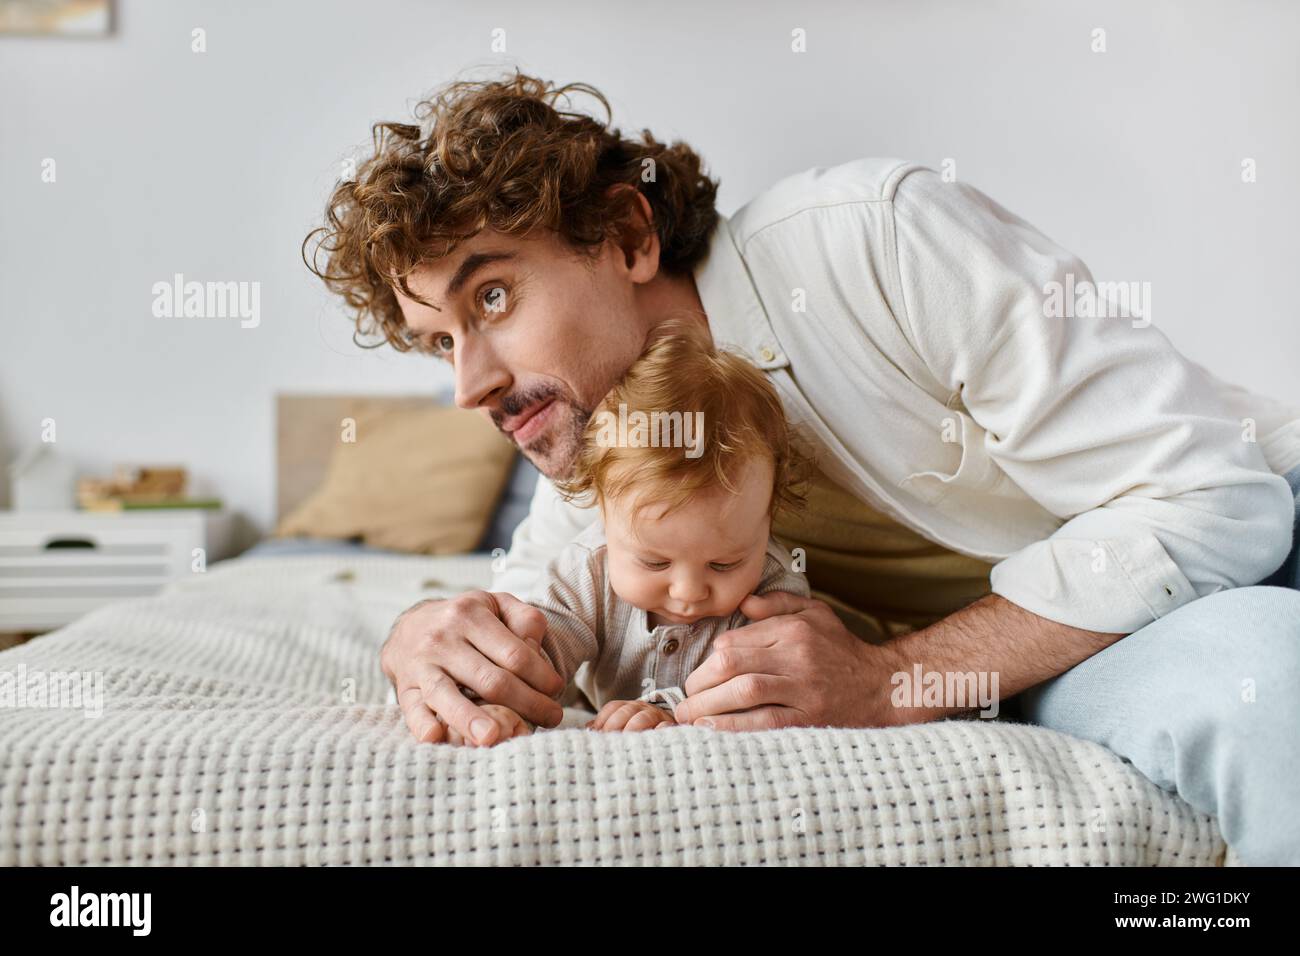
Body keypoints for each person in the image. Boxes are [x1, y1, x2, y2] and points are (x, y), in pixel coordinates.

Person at [304, 71, 1300, 863]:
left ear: (626, 235)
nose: (469, 383)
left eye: (488, 300)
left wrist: (894, 676)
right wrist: (426, 639)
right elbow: (528, 610)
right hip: (1063, 651)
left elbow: (1217, 496)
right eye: (436, 341)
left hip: (1249, 534)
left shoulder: (874, 238)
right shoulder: (604, 461)